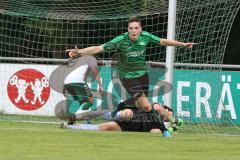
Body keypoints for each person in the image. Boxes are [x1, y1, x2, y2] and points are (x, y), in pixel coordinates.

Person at [66, 16, 196, 117]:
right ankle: (165, 130)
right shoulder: (120, 41)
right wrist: (80, 52)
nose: (133, 30)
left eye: (136, 28)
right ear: (127, 30)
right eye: (131, 28)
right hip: (127, 76)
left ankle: (119, 106)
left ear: (140, 29)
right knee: (146, 106)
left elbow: (162, 41)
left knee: (139, 104)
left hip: (143, 74)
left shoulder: (146, 37)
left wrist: (182, 44)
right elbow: (99, 48)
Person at [60, 102, 183, 137]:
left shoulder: (162, 126)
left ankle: (68, 126)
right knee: (125, 113)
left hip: (131, 128)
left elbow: (153, 133)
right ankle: (78, 116)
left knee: (104, 128)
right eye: (169, 112)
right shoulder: (156, 108)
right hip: (133, 115)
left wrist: (171, 128)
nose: (168, 115)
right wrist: (173, 120)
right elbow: (157, 107)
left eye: (170, 115)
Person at [63, 55, 103, 125]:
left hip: (67, 82)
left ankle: (71, 121)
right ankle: (83, 119)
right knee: (90, 101)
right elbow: (96, 73)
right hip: (77, 81)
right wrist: (100, 86)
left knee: (80, 101)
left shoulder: (81, 62)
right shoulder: (92, 60)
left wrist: (64, 87)